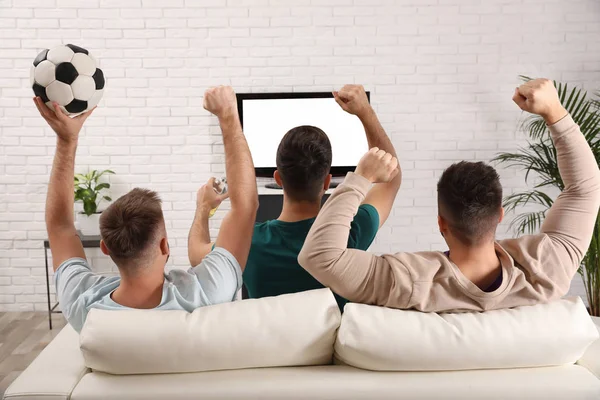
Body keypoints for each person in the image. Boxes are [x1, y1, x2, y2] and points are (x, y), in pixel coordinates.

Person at [298, 78, 600, 312]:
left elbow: (319, 256)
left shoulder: (405, 282)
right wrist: (554, 111)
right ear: (500, 214)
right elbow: (585, 190)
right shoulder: (547, 270)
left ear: (441, 223)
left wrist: (361, 177)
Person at [37, 85, 258, 333]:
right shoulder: (209, 293)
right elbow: (245, 206)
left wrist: (66, 140)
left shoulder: (83, 306)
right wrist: (228, 114)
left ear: (105, 248)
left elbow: (60, 228)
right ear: (164, 246)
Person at [189, 85, 401, 309]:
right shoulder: (351, 231)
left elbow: (196, 255)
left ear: (278, 178)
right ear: (327, 182)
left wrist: (203, 208)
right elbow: (391, 181)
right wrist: (365, 113)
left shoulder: (249, 242)